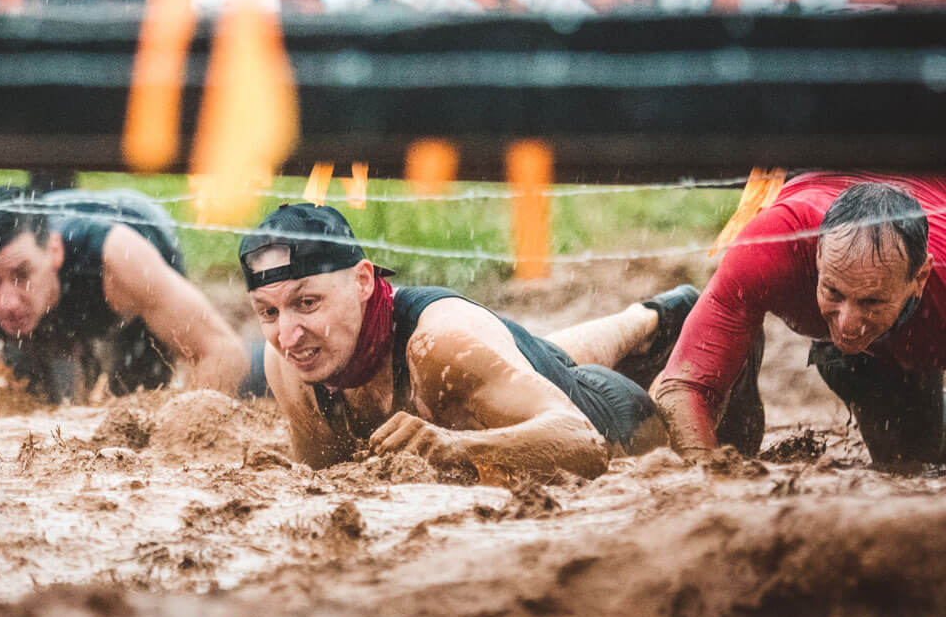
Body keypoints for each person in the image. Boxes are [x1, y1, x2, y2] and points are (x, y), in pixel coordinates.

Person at [240, 202, 699, 478]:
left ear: (363, 282)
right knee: (532, 357)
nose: (287, 336)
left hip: (612, 417)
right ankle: (650, 318)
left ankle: (680, 318)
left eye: (307, 303)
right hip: (523, 367)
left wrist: (455, 448)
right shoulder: (291, 364)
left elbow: (582, 441)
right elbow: (325, 484)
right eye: (268, 311)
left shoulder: (442, 343)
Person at [655, 175, 946, 464]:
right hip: (850, 342)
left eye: (872, 301)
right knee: (729, 439)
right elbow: (685, 386)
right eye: (833, 291)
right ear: (818, 254)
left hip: (925, 328)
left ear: (919, 278)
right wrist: (701, 481)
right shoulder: (771, 245)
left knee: (918, 462)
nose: (847, 325)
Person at [0, 186, 251, 402]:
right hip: (45, 226)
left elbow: (223, 354)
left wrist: (186, 435)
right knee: (32, 401)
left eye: (21, 275)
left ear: (53, 253)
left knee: (133, 402)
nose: (7, 302)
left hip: (134, 225)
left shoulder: (121, 262)